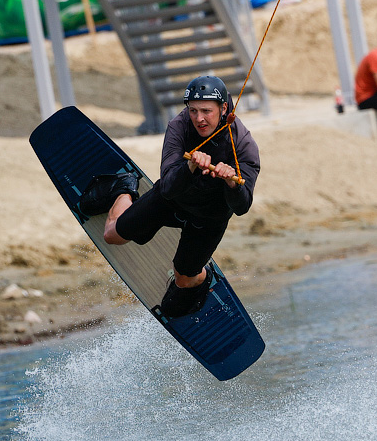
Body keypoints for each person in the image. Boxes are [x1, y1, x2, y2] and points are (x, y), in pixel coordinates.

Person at [95, 75, 259, 318]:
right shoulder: (179, 126)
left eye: (206, 111)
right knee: (112, 236)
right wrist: (191, 166)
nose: (199, 119)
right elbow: (169, 186)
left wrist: (230, 182)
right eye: (193, 110)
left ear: (224, 108)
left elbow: (242, 206)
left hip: (209, 218)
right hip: (171, 201)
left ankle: (204, 275)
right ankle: (124, 188)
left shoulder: (243, 144)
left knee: (184, 279)